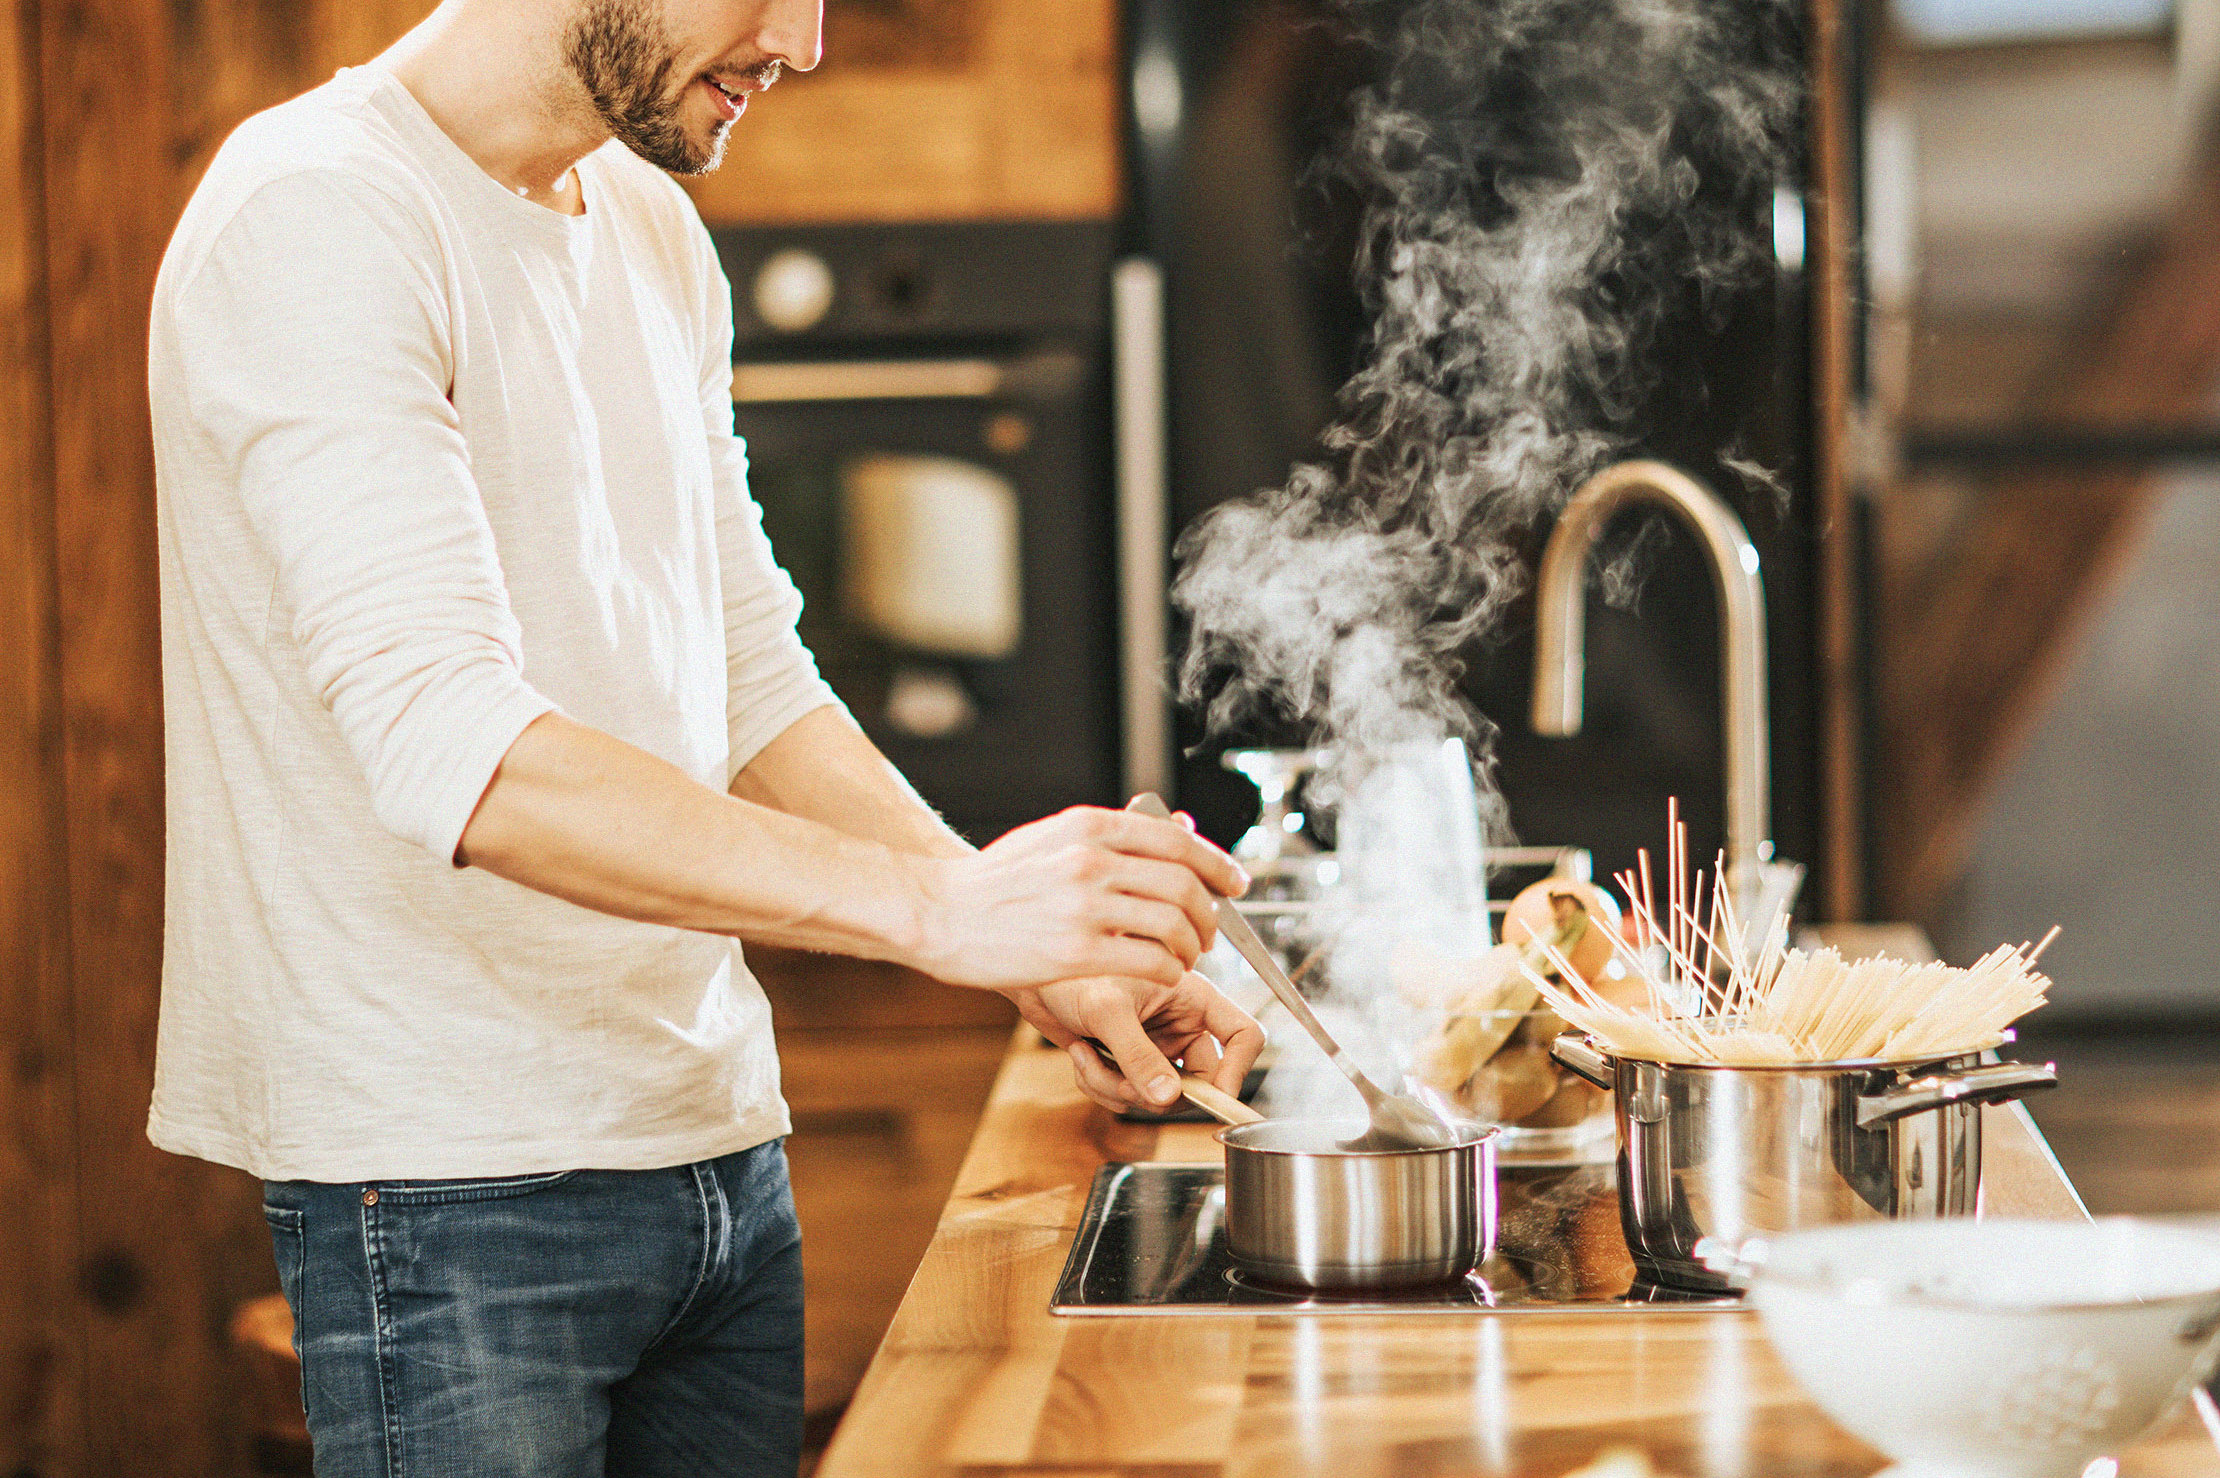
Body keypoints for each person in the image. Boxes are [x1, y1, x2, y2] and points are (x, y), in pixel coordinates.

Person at [144, 2, 1265, 1473]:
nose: (800, 42)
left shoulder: (650, 227)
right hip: (447, 1191)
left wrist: (1025, 943)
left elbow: (747, 677)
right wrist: (941, 910)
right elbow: (459, 751)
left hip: (718, 1148)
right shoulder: (318, 217)